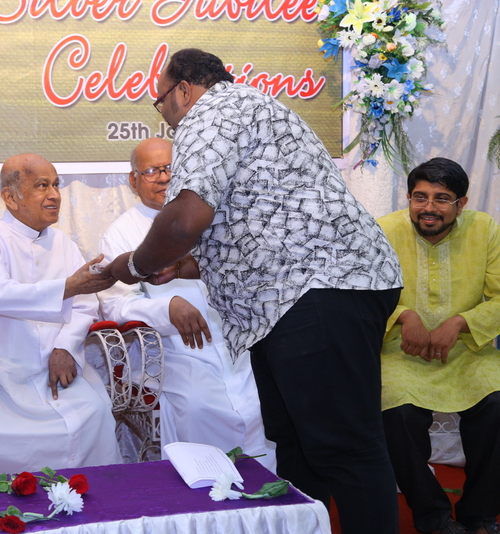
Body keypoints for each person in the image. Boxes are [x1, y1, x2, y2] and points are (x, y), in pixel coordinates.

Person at [104, 48, 403, 534]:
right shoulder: (252, 107)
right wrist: (185, 266)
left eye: (161, 102)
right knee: (298, 444)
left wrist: (132, 266)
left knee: (345, 449)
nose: (166, 116)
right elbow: (255, 223)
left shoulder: (211, 112)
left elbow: (184, 220)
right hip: (298, 295)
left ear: (184, 89)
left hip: (315, 288)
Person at [0, 153, 122, 533]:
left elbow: (84, 305)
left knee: (95, 414)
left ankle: (90, 522)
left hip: (53, 367)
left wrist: (65, 346)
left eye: (56, 185)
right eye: (41, 186)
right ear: (11, 197)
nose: (54, 195)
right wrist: (68, 286)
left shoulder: (63, 242)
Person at [97, 137, 275, 469]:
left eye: (170, 168)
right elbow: (115, 305)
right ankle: (204, 490)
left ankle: (264, 492)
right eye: (152, 171)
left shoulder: (212, 216)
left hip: (238, 344)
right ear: (134, 180)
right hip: (176, 351)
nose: (164, 178)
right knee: (197, 408)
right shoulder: (121, 232)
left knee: (267, 402)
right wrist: (167, 308)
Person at [378, 158, 500, 534]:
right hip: (401, 352)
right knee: (397, 413)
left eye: (442, 198)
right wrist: (403, 315)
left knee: (497, 405)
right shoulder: (384, 230)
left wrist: (461, 322)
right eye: (420, 197)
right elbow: (363, 294)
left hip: (467, 351)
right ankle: (432, 516)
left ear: (461, 204)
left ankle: (479, 514)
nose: (428, 207)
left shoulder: (485, 229)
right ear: (409, 198)